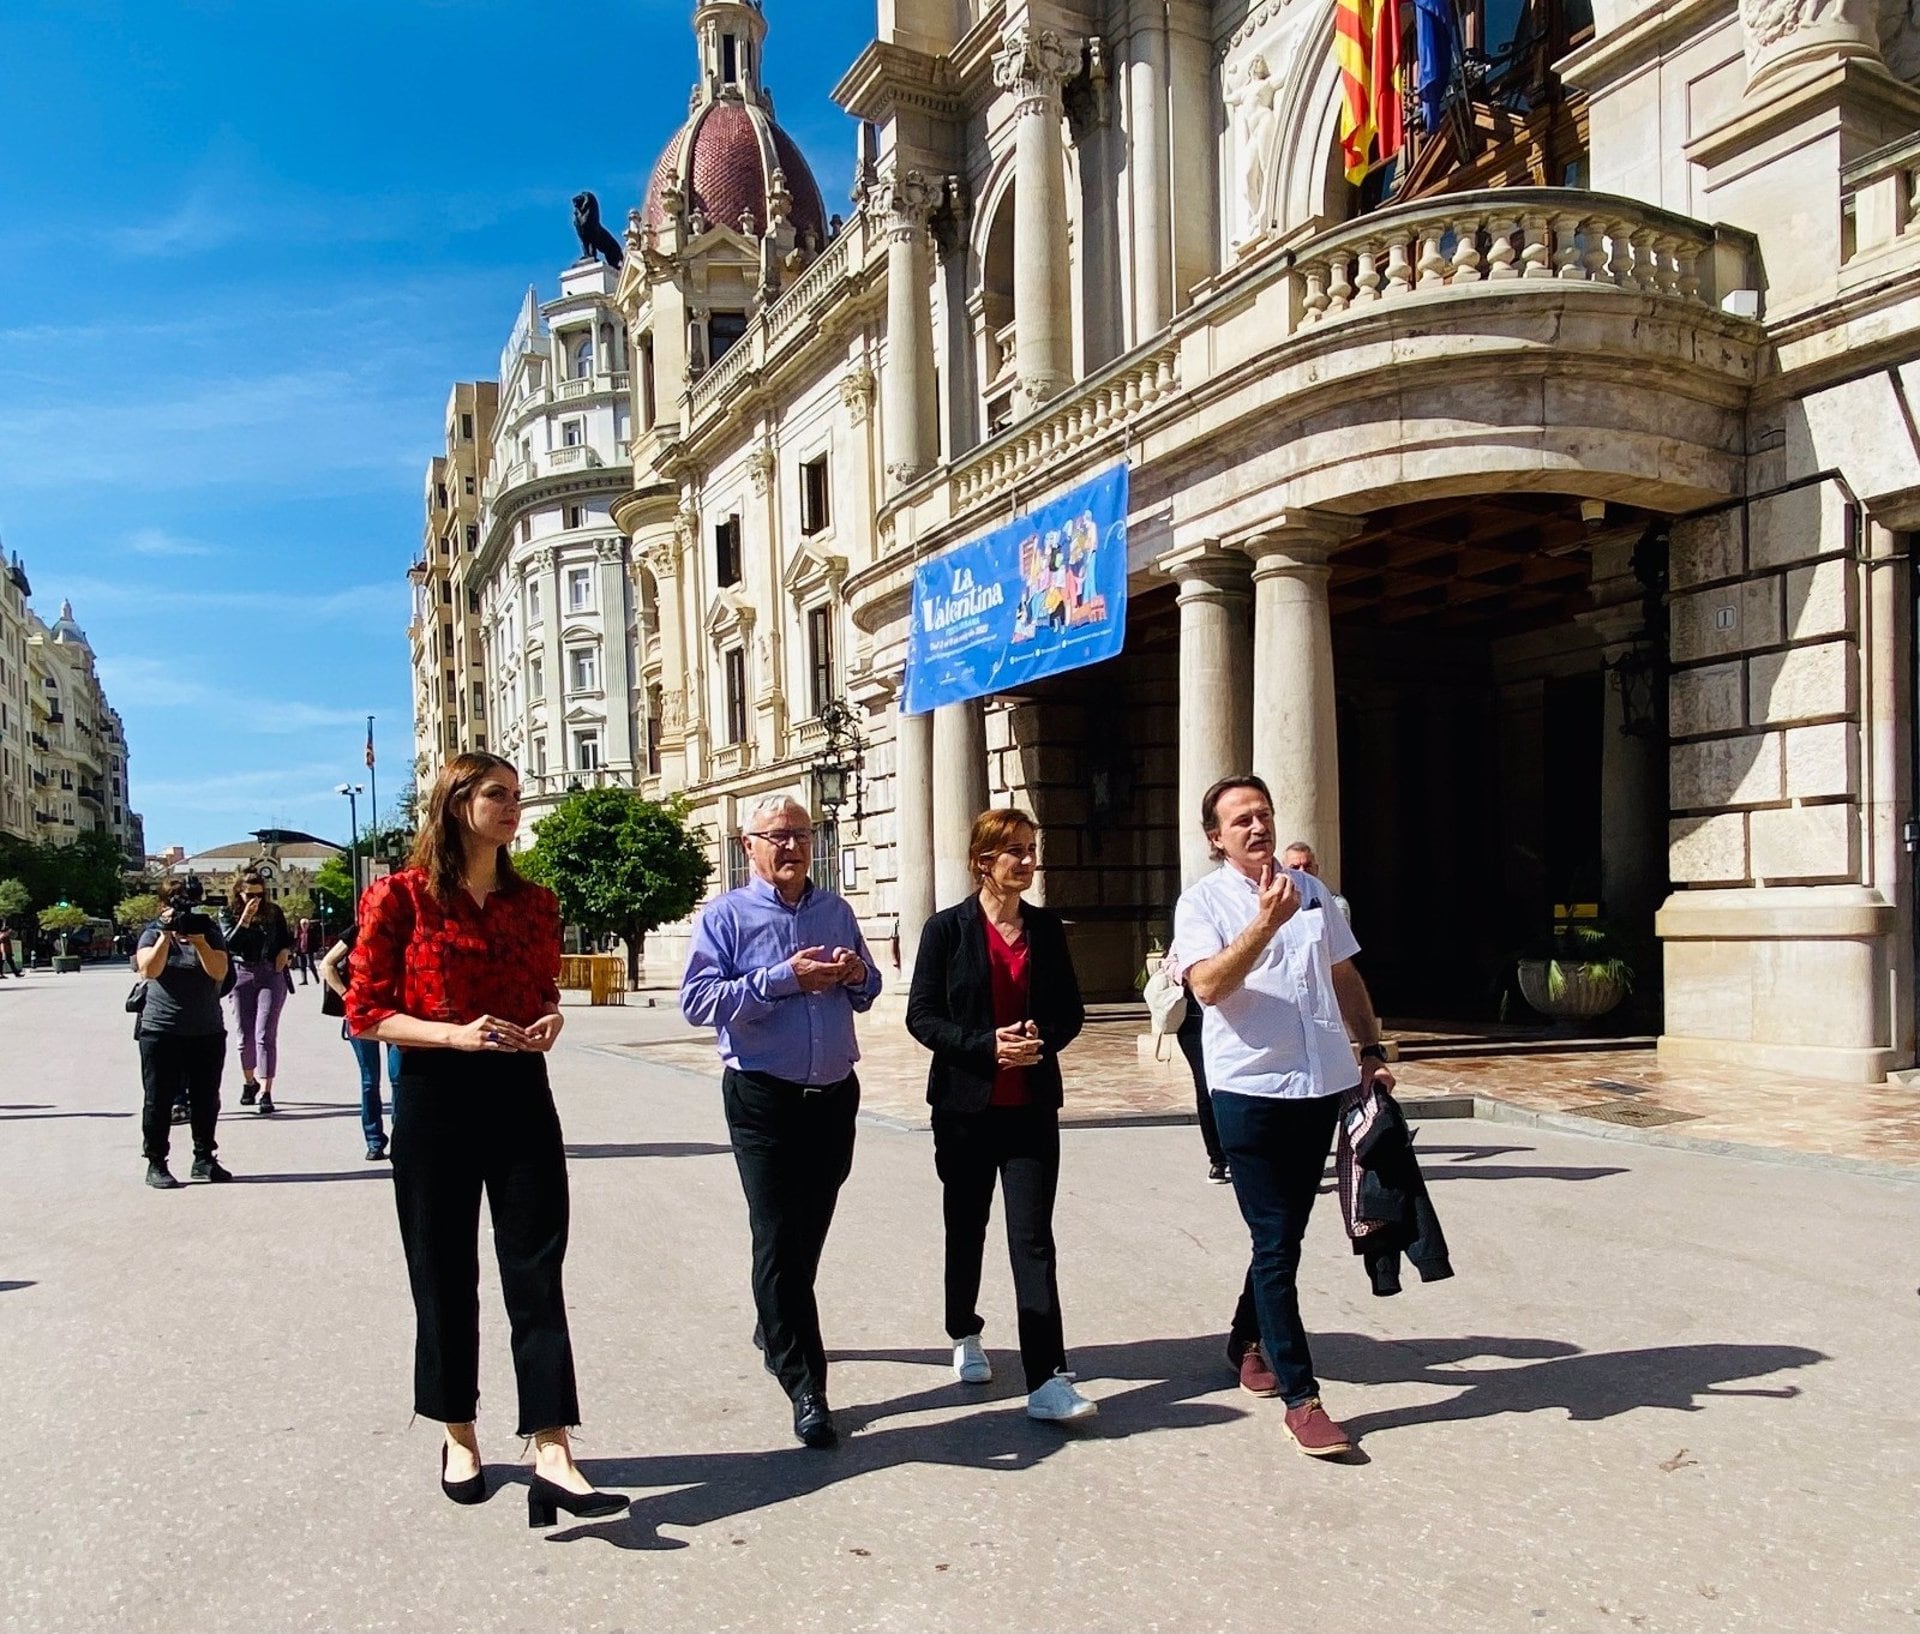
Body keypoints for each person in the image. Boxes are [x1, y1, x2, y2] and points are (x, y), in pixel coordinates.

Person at [346, 751, 621, 1524]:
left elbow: (541, 994)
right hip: (435, 1095)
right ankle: (457, 1430)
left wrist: (551, 1019)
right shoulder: (398, 898)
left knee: (536, 1271)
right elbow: (366, 1012)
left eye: (516, 797)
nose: (513, 808)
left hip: (520, 1093)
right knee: (442, 1272)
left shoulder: (534, 903)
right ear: (456, 802)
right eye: (497, 795)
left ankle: (553, 1445)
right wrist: (450, 1037)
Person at [1169, 775, 1394, 1459]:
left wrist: (1371, 1047)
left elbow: (1344, 973)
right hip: (1249, 1091)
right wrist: (1265, 921)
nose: (1257, 827)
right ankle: (1303, 1398)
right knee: (1275, 1241)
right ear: (1216, 838)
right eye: (1241, 820)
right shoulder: (1202, 903)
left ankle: (1244, 1340)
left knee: (1283, 1236)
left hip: (1317, 1084)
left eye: (1263, 814)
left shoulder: (1315, 893)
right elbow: (1206, 986)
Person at [680, 794, 882, 1449]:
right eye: (777, 837)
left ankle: (777, 1323)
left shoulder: (835, 910)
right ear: (749, 847)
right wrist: (779, 980)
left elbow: (868, 989)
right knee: (776, 1236)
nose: (791, 847)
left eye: (801, 834)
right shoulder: (726, 917)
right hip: (763, 1099)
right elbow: (698, 1002)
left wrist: (856, 973)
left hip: (832, 1097)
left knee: (805, 1234)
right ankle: (807, 1387)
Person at [906, 808, 1097, 1424]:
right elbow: (923, 1017)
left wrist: (1040, 1039)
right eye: (1015, 851)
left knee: (1032, 1238)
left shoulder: (1045, 930)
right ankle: (964, 1330)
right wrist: (987, 1045)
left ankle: (1047, 1376)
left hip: (1031, 1107)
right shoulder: (946, 931)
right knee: (967, 1228)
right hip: (964, 1108)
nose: (1028, 861)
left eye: (1032, 849)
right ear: (983, 861)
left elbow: (1071, 1010)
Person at [132, 891, 233, 1188]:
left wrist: (200, 941)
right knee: (158, 1100)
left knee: (206, 1099)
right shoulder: (151, 933)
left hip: (206, 1030)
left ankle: (204, 1159)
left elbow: (219, 972)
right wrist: (166, 936)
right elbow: (148, 970)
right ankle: (156, 1162)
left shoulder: (210, 932)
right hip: (160, 1030)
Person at [319, 924, 401, 1161]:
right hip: (362, 1015)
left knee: (398, 1078)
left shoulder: (401, 928)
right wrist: (347, 998)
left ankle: (399, 1139)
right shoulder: (357, 932)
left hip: (396, 1015)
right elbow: (327, 964)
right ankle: (374, 1140)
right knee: (369, 1080)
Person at [224, 872, 295, 1114]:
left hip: (270, 973)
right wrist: (245, 918)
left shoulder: (273, 912)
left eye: (260, 894)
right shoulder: (227, 914)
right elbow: (229, 945)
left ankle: (266, 1091)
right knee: (245, 1034)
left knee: (265, 1033)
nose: (255, 899)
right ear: (239, 893)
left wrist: (286, 951)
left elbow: (286, 938)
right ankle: (249, 1082)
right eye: (250, 894)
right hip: (241, 972)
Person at [1281, 841, 1351, 922]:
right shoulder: (1275, 905)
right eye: (1295, 867)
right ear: (1284, 872)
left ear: (1316, 869)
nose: (1302, 872)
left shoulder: (1335, 903)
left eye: (1307, 866)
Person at [293, 918, 319, 985]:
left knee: (311, 965)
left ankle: (317, 978)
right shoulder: (298, 932)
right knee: (302, 966)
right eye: (302, 924)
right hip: (301, 951)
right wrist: (295, 951)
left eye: (305, 924)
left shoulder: (311, 932)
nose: (304, 926)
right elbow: (296, 942)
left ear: (308, 925)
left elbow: (315, 942)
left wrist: (316, 950)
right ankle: (304, 980)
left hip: (309, 951)